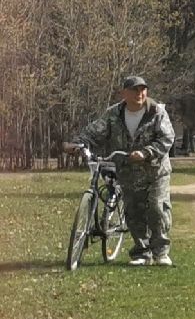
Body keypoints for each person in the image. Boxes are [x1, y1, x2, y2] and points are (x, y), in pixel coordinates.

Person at [74, 74, 175, 266]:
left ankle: (161, 253)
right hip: (128, 172)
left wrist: (146, 152)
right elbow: (95, 132)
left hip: (155, 171)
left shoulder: (156, 112)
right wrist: (78, 143)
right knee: (134, 213)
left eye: (143, 89)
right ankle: (142, 254)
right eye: (135, 90)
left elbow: (167, 138)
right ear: (124, 93)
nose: (140, 94)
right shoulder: (114, 114)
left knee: (157, 209)